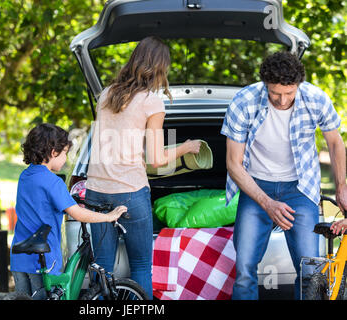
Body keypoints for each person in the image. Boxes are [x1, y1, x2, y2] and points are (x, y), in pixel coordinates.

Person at [221, 51, 346, 300]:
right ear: (265, 84)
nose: (281, 100)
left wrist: (342, 186)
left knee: (311, 270)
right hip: (256, 189)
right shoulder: (244, 101)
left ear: (298, 85)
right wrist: (267, 203)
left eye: (289, 93)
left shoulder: (315, 99)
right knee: (245, 269)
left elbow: (334, 142)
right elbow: (233, 164)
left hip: (301, 189)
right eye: (275, 93)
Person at [85, 36, 201, 299]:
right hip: (129, 191)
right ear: (160, 68)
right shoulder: (151, 101)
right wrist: (187, 147)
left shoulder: (106, 94)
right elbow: (157, 160)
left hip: (95, 191)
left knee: (102, 269)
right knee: (140, 267)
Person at [10, 123, 127, 299]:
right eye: (64, 152)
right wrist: (108, 216)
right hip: (44, 257)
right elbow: (77, 213)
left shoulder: (25, 176)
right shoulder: (53, 182)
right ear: (53, 151)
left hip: (19, 255)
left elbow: (39, 204)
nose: (65, 158)